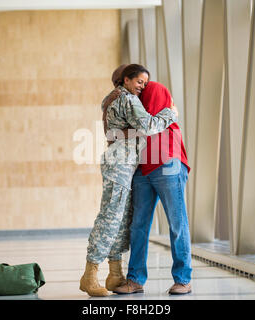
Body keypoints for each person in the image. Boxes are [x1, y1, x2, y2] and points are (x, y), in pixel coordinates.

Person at [79, 65, 179, 297]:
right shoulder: (129, 99)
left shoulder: (113, 98)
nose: (142, 87)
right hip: (121, 163)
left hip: (122, 162)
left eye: (144, 84)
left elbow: (118, 132)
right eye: (139, 82)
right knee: (111, 217)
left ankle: (115, 274)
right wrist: (171, 113)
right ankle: (89, 274)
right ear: (125, 80)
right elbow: (148, 126)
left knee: (122, 218)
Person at [113, 81, 192, 295]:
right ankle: (135, 279)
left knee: (177, 224)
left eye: (130, 80)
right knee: (138, 226)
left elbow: (148, 125)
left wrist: (129, 129)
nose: (124, 86)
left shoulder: (154, 89)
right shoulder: (123, 100)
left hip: (167, 163)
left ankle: (183, 279)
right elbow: (116, 132)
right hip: (143, 168)